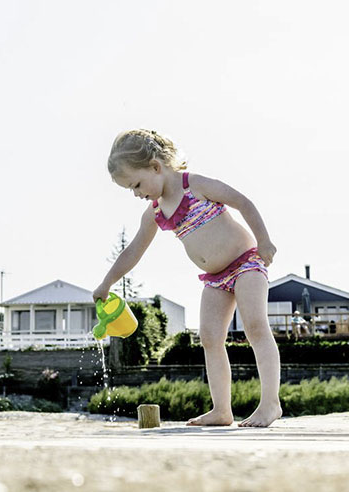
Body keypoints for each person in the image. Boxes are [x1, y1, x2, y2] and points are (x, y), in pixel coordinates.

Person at [93, 129, 281, 428]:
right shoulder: (155, 211)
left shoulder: (195, 185)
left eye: (137, 184)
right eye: (130, 189)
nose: (136, 193)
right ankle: (222, 410)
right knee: (209, 338)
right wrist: (106, 283)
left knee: (256, 327)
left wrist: (264, 241)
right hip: (214, 278)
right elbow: (132, 252)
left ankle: (270, 404)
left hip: (246, 262)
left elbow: (242, 201)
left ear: (156, 166)